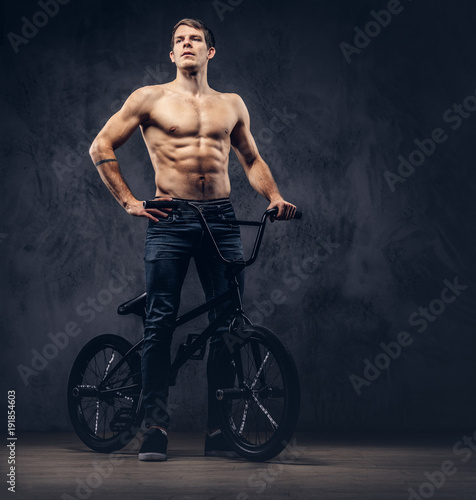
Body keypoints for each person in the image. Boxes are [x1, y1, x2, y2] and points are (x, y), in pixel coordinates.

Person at [89, 18, 297, 461]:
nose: (186, 45)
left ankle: (218, 431)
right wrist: (129, 201)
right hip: (171, 217)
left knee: (229, 327)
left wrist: (275, 195)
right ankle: (155, 427)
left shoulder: (232, 104)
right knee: (161, 320)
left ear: (210, 52)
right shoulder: (149, 99)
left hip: (221, 220)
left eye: (195, 40)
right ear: (171, 54)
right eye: (179, 40)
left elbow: (252, 158)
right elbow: (101, 146)